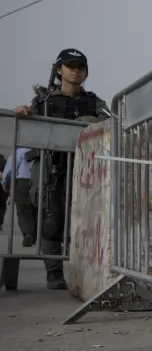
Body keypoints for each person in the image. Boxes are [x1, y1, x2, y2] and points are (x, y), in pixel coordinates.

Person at [13, 48, 110, 289]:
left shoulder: (93, 102)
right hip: (53, 168)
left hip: (88, 170)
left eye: (80, 66)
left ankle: (87, 272)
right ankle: (54, 272)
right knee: (51, 221)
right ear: (59, 70)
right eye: (70, 66)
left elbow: (111, 121)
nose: (75, 70)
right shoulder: (46, 101)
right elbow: (29, 119)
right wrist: (22, 112)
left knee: (89, 221)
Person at [1, 148, 38, 247]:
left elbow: (10, 170)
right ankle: (37, 236)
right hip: (40, 182)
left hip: (22, 183)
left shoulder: (19, 152)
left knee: (23, 210)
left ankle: (28, 233)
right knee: (37, 210)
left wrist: (5, 183)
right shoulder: (43, 150)